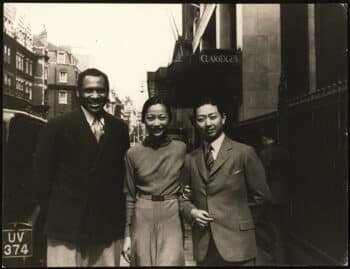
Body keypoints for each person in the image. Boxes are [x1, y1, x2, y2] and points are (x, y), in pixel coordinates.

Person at [33, 68, 130, 267]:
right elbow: (42, 178)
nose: (95, 96)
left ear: (107, 92)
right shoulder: (56, 126)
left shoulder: (119, 128)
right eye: (88, 90)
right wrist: (57, 212)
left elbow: (121, 177)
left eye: (101, 90)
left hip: (106, 226)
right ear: (78, 93)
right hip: (66, 227)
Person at [180, 97, 271, 266]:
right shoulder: (190, 159)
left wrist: (239, 220)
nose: (208, 123)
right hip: (205, 247)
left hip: (239, 246)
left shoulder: (244, 153)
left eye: (212, 117)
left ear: (223, 118)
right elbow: (183, 197)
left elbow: (262, 197)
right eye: (201, 119)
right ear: (195, 123)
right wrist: (192, 212)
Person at [122, 96, 186, 266]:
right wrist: (127, 235)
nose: (157, 123)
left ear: (169, 119)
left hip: (171, 212)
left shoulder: (181, 149)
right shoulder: (133, 154)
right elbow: (129, 195)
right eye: (151, 118)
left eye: (162, 117)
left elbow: (186, 186)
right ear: (143, 120)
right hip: (142, 212)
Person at [259, 131, 290, 264]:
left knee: (272, 227)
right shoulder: (285, 152)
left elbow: (261, 175)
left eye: (263, 139)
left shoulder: (265, 153)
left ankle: (277, 258)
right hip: (284, 193)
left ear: (266, 139)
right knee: (282, 226)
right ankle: (284, 256)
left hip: (271, 194)